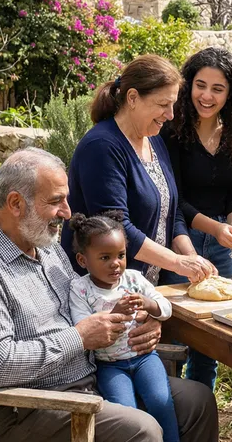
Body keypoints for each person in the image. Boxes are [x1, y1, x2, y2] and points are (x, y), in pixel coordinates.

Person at [0, 148, 219, 442]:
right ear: (15, 203)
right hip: (24, 410)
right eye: (56, 201)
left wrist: (143, 324)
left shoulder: (45, 247)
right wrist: (80, 337)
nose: (68, 213)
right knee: (140, 431)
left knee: (197, 402)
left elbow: (92, 305)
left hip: (90, 380)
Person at [61, 54, 216, 285]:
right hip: (99, 292)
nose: (171, 114)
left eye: (172, 104)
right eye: (163, 104)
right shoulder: (102, 147)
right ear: (133, 97)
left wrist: (192, 258)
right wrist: (177, 262)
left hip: (142, 288)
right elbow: (115, 226)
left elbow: (170, 214)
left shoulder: (154, 141)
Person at [68, 211, 189, 442]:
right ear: (84, 260)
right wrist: (116, 313)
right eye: (105, 257)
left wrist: (149, 304)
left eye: (121, 255)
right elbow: (83, 327)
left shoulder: (134, 279)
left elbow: (165, 308)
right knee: (127, 414)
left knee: (161, 400)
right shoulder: (80, 289)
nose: (116, 264)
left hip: (144, 358)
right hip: (110, 366)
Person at [161, 47, 232, 388]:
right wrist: (216, 227)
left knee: (209, 346)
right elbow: (174, 199)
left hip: (220, 248)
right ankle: (171, 422)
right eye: (200, 85)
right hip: (178, 242)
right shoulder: (169, 131)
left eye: (218, 89)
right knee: (174, 339)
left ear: (231, 94)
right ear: (187, 87)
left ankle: (202, 418)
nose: (207, 95)